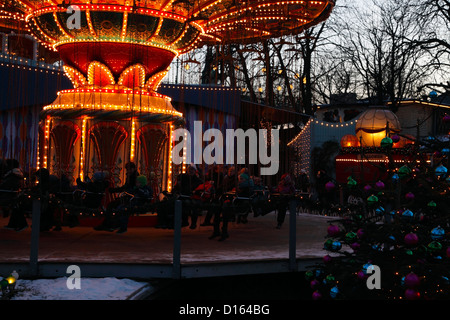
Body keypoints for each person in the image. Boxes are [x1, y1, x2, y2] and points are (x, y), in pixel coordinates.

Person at [94, 162, 137, 231]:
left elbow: (126, 188)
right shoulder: (130, 177)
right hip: (128, 197)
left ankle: (111, 224)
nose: (128, 171)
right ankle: (107, 224)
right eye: (127, 170)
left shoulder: (133, 178)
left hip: (130, 198)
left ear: (133, 169)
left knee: (112, 206)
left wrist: (115, 190)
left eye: (129, 169)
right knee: (111, 205)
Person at [172, 164, 203, 229]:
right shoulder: (182, 177)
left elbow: (200, 189)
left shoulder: (197, 180)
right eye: (189, 169)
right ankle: (184, 221)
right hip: (184, 195)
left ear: (195, 171)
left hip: (193, 196)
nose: (190, 171)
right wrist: (174, 191)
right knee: (183, 203)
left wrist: (195, 192)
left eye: (192, 169)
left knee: (194, 205)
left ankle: (193, 223)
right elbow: (177, 186)